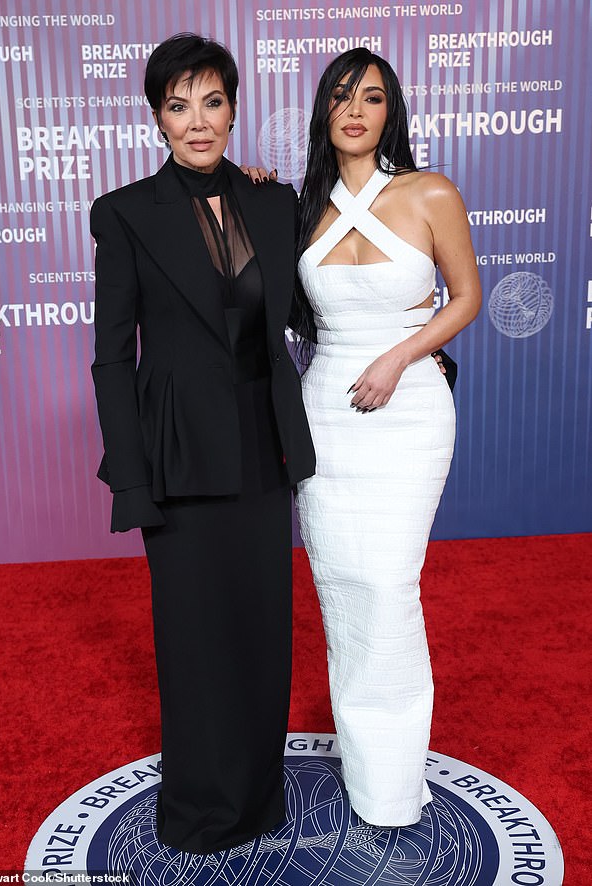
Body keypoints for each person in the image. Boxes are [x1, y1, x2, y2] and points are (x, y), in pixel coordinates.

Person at [90, 33, 315, 854]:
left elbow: (310, 305)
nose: (197, 121)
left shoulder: (273, 201)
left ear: (232, 109)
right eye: (178, 105)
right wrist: (130, 479)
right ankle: (197, 810)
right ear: (156, 117)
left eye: (212, 102)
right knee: (192, 639)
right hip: (178, 457)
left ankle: (259, 796)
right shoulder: (123, 213)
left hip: (263, 450)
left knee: (260, 630)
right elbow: (113, 357)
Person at [292, 48, 481, 827]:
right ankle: (363, 767)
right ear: (324, 113)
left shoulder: (429, 190)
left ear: (391, 109)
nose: (356, 109)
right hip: (327, 413)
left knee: (391, 585)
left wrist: (402, 355)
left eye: (372, 96)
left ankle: (395, 788)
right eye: (342, 96)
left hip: (407, 411)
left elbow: (467, 296)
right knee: (342, 586)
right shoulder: (304, 206)